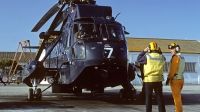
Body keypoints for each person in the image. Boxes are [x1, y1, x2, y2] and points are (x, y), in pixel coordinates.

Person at [137, 42, 166, 112]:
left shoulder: (147, 57)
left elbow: (138, 59)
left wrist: (144, 51)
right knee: (160, 98)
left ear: (150, 48)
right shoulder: (162, 57)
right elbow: (163, 58)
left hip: (148, 80)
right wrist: (159, 52)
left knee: (148, 98)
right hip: (158, 80)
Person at [166, 43, 185, 112]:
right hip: (181, 79)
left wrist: (168, 78)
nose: (170, 51)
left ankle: (178, 110)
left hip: (175, 80)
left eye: (172, 49)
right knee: (178, 97)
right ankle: (178, 109)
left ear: (176, 49)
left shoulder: (175, 57)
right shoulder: (182, 57)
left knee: (176, 98)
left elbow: (173, 70)